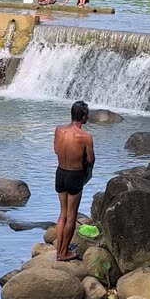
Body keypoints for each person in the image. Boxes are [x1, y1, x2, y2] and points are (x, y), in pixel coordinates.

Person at [53, 100, 95, 262]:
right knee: (71, 216)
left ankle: (59, 249)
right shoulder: (85, 136)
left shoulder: (59, 130)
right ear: (84, 117)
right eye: (87, 115)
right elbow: (90, 159)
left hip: (60, 172)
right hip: (75, 175)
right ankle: (63, 253)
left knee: (62, 213)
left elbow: (56, 149)